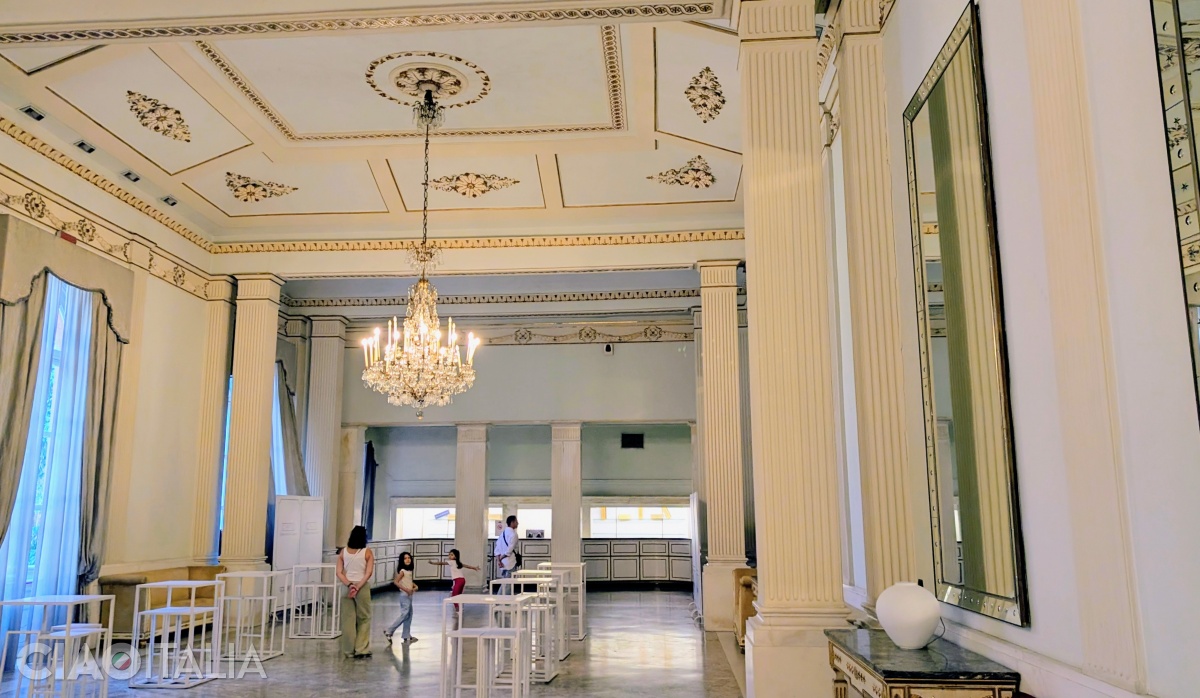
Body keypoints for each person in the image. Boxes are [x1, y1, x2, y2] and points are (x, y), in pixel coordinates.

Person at [337, 526, 375, 659]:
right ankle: (361, 649)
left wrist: (349, 585)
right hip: (361, 587)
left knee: (348, 619)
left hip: (346, 587)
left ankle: (348, 650)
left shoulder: (343, 552)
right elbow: (368, 572)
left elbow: (339, 572)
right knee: (364, 617)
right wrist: (358, 586)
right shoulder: (367, 552)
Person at [384, 552, 418, 645]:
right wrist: (406, 590)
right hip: (404, 595)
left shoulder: (409, 571)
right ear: (402, 561)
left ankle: (406, 635)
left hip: (409, 595)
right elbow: (396, 582)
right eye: (405, 558)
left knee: (409, 615)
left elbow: (409, 581)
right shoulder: (402, 571)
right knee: (404, 614)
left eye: (409, 558)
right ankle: (389, 631)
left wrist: (414, 586)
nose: (407, 560)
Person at [493, 515, 519, 581]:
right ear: (512, 522)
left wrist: (499, 561)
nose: (517, 523)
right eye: (516, 521)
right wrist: (501, 558)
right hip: (510, 562)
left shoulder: (502, 534)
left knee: (505, 581)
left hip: (502, 563)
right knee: (509, 583)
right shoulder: (514, 534)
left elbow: (497, 550)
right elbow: (509, 551)